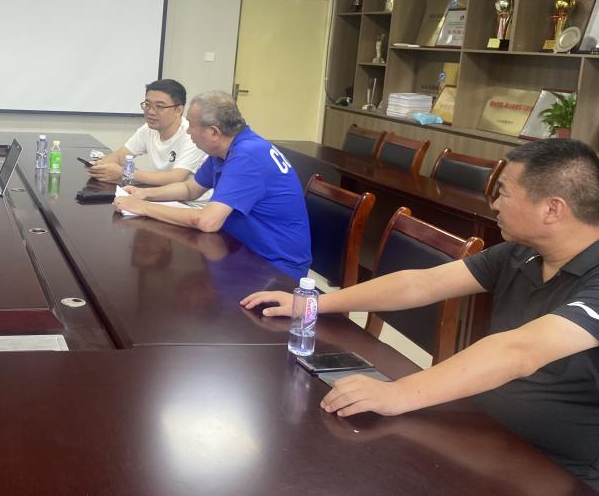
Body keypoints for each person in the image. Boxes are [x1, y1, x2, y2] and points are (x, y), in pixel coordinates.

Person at [241, 138, 599, 489]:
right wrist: (314, 303)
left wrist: (398, 393)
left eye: (503, 193)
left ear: (552, 209)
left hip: (555, 468)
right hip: (479, 428)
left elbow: (520, 351)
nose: (494, 204)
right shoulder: (522, 252)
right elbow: (422, 284)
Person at [114, 91, 311, 281]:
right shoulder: (226, 148)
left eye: (191, 125)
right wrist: (145, 194)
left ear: (214, 132)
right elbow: (191, 188)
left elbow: (207, 222)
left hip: (274, 267)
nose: (188, 131)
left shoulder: (246, 156)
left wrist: (143, 207)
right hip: (239, 248)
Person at [86, 78, 206, 186]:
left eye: (160, 106)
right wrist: (98, 167)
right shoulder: (148, 129)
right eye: (147, 105)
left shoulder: (191, 135)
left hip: (189, 201)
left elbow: (176, 178)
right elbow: (119, 156)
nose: (151, 112)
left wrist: (126, 173)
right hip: (158, 193)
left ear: (178, 110)